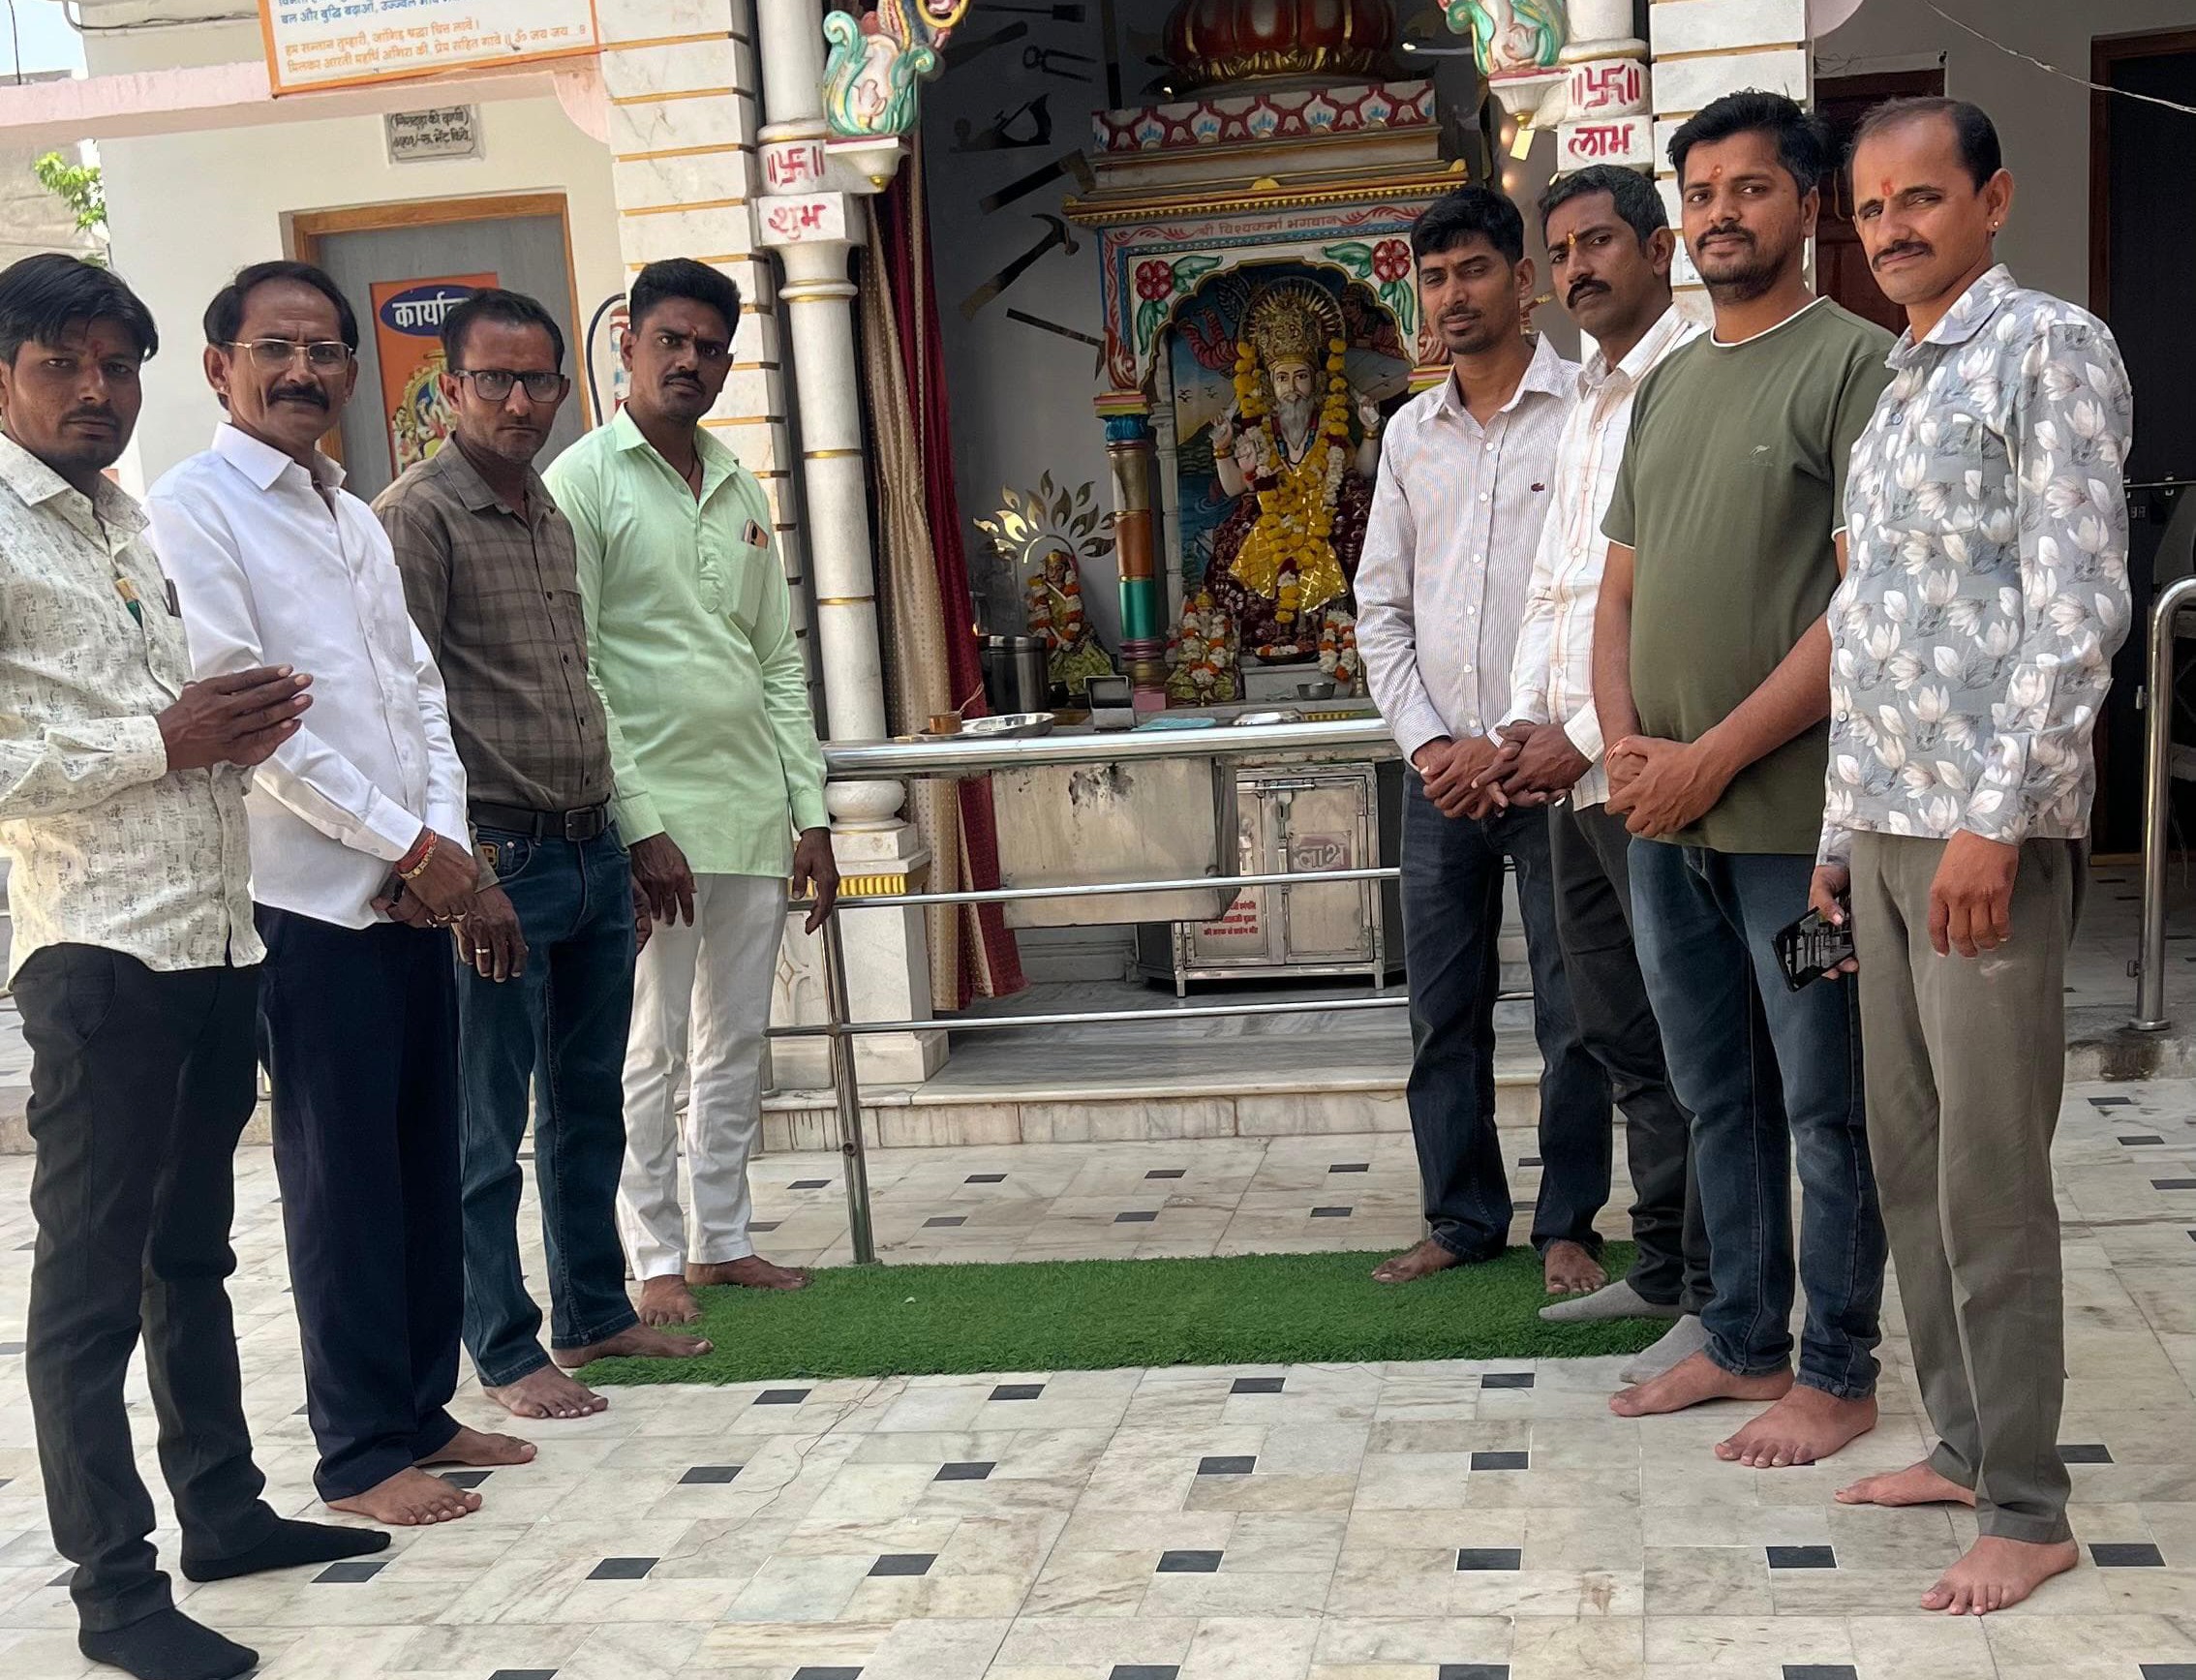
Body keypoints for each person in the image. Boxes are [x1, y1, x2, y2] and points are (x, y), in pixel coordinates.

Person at [0, 255, 386, 1680]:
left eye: (117, 365)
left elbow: (167, 720)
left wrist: (229, 723)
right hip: (98, 951)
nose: (96, 390)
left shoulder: (121, 517)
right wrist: (163, 739)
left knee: (193, 1257)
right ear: (2, 375)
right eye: (62, 364)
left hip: (218, 936)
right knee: (91, 1287)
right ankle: (114, 1592)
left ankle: (221, 1513)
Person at [150, 260, 534, 1529]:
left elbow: (417, 690)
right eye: (276, 348)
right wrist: (405, 850)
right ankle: (360, 1450)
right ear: (221, 368)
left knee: (423, 1158)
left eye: (324, 350)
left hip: (414, 888)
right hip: (310, 901)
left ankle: (421, 1407)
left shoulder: (349, 511)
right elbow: (253, 721)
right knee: (344, 1180)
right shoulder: (196, 510)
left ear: (355, 373)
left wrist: (444, 850)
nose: (303, 371)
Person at [1817, 97, 2129, 1615]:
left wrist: (1993, 819)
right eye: (1873, 208)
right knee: (1911, 1156)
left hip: (1977, 833)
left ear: (1992, 199)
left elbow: (2076, 604)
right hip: (1884, 824)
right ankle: (1956, 1438)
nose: (1893, 229)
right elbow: (1866, 624)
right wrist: (1837, 835)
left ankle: (2026, 1500)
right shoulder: (1895, 387)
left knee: (1991, 1172)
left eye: (1922, 199)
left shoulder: (2049, 348)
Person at [1591, 91, 1894, 1467]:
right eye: (1702, 191)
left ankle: (1837, 1371)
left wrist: (1707, 757)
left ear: (1809, 206)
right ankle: (1742, 1334)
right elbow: (1618, 594)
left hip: (1792, 827)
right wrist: (1629, 756)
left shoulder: (1856, 369)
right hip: (1667, 823)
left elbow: (1860, 610)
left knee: (1827, 1105)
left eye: (1751, 187)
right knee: (1718, 1091)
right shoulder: (1667, 385)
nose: (1721, 213)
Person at [375, 288, 713, 1422]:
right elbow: (404, 704)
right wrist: (453, 865)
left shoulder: (548, 511)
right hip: (495, 858)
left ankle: (594, 1310)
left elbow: (580, 685)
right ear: (449, 388)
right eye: (496, 380)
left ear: (566, 387)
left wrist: (627, 833)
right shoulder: (417, 516)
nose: (520, 402)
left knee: (587, 1100)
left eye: (539, 381)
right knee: (485, 1124)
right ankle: (505, 1348)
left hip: (585, 845)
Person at [544, 259, 838, 1322]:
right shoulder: (583, 480)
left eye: (711, 349)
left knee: (737, 1041)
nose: (691, 362)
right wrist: (638, 824)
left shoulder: (738, 483)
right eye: (671, 340)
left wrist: (811, 812)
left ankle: (722, 1237)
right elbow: (577, 668)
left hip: (751, 812)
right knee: (647, 1049)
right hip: (648, 826)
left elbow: (778, 661)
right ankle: (654, 1254)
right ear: (626, 343)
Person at [1354, 187, 1613, 1295]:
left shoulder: (1587, 410)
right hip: (1441, 781)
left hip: (1551, 769)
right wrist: (1428, 749)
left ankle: (1569, 1223)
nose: (1453, 294)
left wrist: (1519, 741)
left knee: (1575, 1008)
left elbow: (1605, 596)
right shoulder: (1409, 435)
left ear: (1524, 279)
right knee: (1441, 1011)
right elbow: (1380, 608)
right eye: (1435, 276)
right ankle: (1461, 1218)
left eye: (1473, 269)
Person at [1486, 167, 1710, 1368]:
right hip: (1569, 779)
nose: (1579, 267)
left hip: (1644, 762)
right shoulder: (1583, 397)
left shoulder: (1691, 380)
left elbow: (1669, 590)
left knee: (1693, 1033)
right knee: (1616, 1026)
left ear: (1659, 249)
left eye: (1601, 242)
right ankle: (1664, 1265)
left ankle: (1720, 1292)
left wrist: (1581, 732)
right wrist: (1525, 723)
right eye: (1563, 249)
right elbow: (1558, 586)